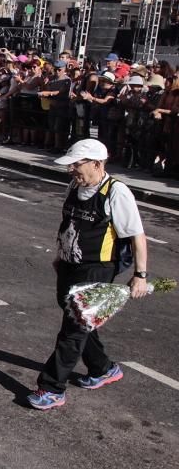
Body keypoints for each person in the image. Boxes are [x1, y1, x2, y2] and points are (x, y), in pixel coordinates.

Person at [28, 139, 149, 411]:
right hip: (70, 263)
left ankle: (51, 388)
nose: (72, 169)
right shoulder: (76, 185)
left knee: (73, 329)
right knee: (76, 317)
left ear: (97, 163)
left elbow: (137, 236)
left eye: (77, 164)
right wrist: (61, 256)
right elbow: (69, 223)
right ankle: (102, 368)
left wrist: (140, 275)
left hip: (97, 268)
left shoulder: (117, 193)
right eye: (71, 164)